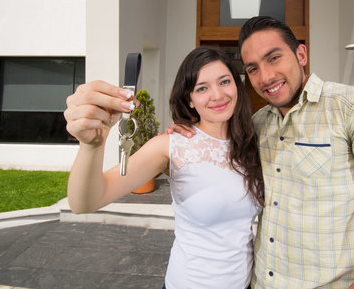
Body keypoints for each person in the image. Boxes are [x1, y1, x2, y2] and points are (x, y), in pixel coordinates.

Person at [172, 16, 354, 288]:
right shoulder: (256, 125)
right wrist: (182, 135)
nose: (265, 77)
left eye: (274, 58)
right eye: (253, 69)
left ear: (301, 54)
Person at [64, 47, 264, 289]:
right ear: (189, 99)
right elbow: (84, 203)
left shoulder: (252, 143)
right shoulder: (170, 145)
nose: (218, 94)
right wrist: (91, 146)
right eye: (202, 88)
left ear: (237, 86)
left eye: (224, 81)